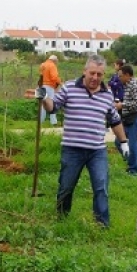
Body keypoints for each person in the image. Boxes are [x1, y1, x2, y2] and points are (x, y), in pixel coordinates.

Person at [39, 54, 129, 228]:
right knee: (66, 186)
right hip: (72, 149)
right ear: (84, 71)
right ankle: (62, 219)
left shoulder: (107, 94)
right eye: (92, 73)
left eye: (99, 74)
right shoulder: (69, 88)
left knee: (101, 187)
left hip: (97, 151)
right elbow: (52, 107)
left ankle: (102, 224)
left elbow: (115, 120)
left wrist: (124, 142)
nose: (95, 78)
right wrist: (43, 97)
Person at [117, 64, 137, 175]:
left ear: (127, 75)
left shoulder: (134, 84)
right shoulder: (127, 84)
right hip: (129, 117)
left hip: (136, 117)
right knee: (119, 141)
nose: (119, 78)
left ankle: (135, 170)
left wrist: (122, 105)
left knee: (133, 144)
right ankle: (132, 163)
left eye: (121, 76)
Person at [38, 54, 62, 126]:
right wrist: (60, 82)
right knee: (52, 103)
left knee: (42, 104)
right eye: (56, 61)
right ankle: (53, 122)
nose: (56, 63)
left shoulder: (43, 65)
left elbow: (40, 74)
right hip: (49, 86)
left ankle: (40, 122)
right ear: (54, 60)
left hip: (41, 86)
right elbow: (54, 77)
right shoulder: (52, 65)